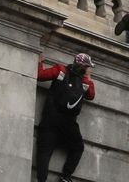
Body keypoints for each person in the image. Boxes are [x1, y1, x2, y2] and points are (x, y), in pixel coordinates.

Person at [35, 52, 96, 182]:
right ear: (84, 67)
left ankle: (41, 180)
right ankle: (66, 177)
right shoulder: (84, 82)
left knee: (44, 153)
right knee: (78, 148)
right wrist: (88, 77)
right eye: (87, 67)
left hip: (50, 120)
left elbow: (39, 75)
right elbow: (91, 95)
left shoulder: (60, 70)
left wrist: (39, 62)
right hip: (68, 125)